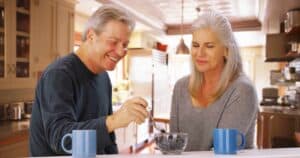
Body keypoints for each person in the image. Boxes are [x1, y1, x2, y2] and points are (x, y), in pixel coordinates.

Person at [29, 5, 149, 156]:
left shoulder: (103, 77)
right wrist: (114, 120)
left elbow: (108, 139)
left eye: (125, 45)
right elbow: (61, 139)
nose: (120, 52)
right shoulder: (59, 75)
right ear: (91, 36)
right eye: (113, 42)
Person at [170, 10, 258, 151]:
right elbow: (174, 146)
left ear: (226, 50)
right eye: (196, 45)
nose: (200, 53)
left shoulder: (242, 90)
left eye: (209, 46)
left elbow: (223, 151)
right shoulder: (181, 87)